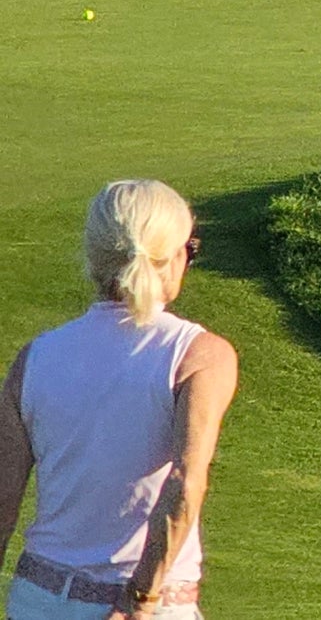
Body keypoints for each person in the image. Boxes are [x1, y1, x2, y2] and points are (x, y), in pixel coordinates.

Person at [1, 183, 238, 619]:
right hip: (148, 605)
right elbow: (186, 484)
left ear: (93, 256)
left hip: (39, 598)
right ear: (174, 258)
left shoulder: (35, 358)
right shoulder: (201, 356)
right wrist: (140, 602)